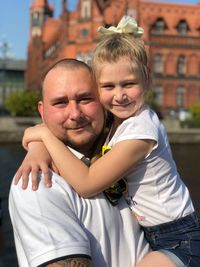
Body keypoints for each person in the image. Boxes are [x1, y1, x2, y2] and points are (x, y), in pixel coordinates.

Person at [19, 16, 200, 267]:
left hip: (178, 239)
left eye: (129, 84)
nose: (119, 96)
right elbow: (57, 126)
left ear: (146, 79)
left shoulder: (141, 131)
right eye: (107, 86)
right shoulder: (117, 119)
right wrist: (36, 147)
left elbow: (87, 183)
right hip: (156, 235)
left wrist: (44, 137)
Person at [9, 58, 150, 267]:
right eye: (60, 103)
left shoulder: (123, 149)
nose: (75, 114)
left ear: (103, 101)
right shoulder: (37, 181)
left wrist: (40, 139)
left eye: (85, 99)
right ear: (42, 111)